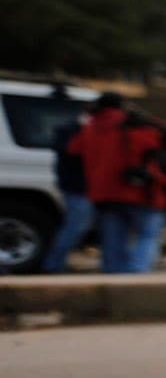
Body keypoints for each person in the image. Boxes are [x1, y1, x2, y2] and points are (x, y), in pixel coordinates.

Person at [70, 95, 166, 274]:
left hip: (104, 195)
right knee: (147, 235)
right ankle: (135, 276)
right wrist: (147, 118)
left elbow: (73, 150)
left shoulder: (89, 129)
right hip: (139, 193)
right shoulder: (138, 127)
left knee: (113, 241)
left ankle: (113, 280)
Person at [41, 87, 96, 273]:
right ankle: (54, 265)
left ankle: (56, 263)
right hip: (77, 186)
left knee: (80, 226)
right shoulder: (70, 130)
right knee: (75, 227)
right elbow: (68, 152)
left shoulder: (82, 129)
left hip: (87, 186)